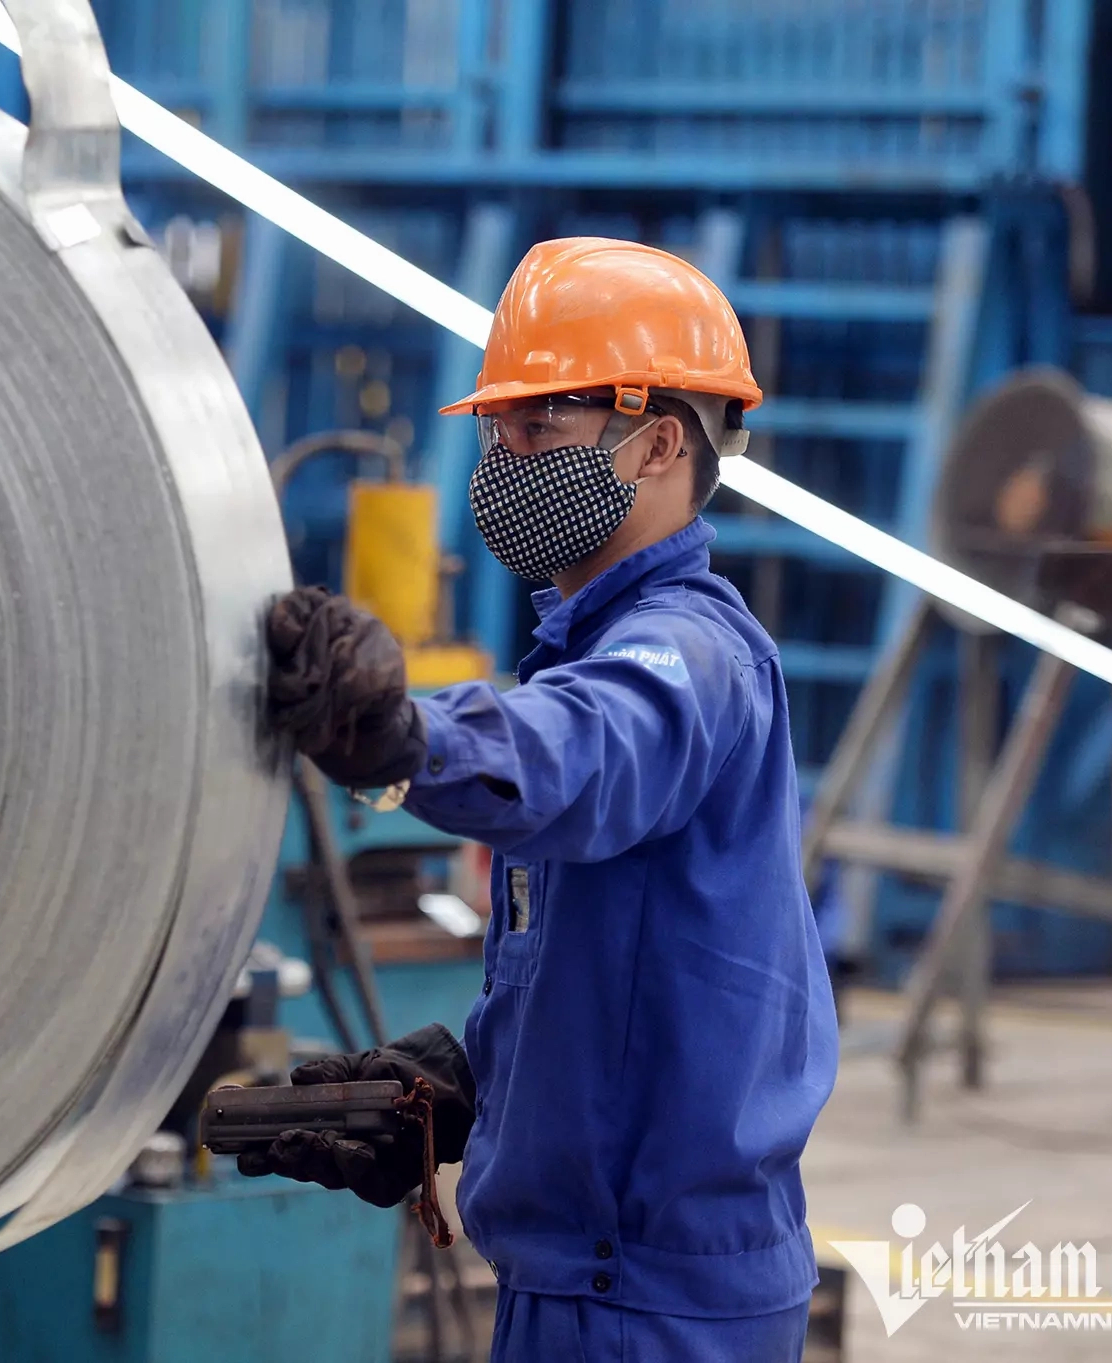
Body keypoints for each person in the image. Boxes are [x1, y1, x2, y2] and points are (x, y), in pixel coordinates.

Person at [248, 237, 839, 1362]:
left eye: (543, 424)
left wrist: (405, 736)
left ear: (658, 442)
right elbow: (617, 978)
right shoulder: (586, 650)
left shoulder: (687, 657)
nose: (506, 457)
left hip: (644, 1297)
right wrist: (470, 1087)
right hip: (580, 1277)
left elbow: (579, 754)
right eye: (499, 427)